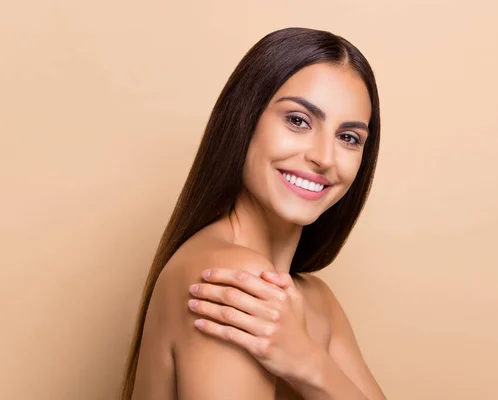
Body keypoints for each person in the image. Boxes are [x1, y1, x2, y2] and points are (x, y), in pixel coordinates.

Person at [121, 27, 386, 399]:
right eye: (298, 120)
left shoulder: (314, 299)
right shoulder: (233, 284)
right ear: (244, 120)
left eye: (348, 138)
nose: (324, 157)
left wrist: (310, 363)